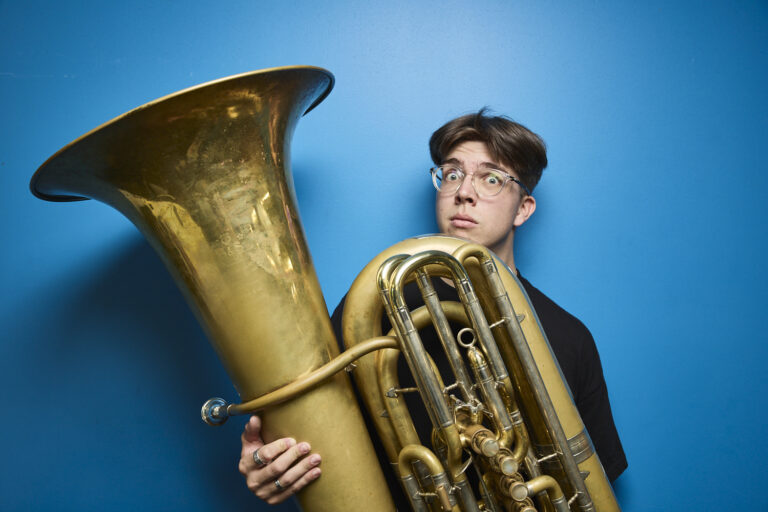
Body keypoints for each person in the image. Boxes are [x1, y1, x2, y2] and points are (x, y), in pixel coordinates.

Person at [238, 109, 627, 506]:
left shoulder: (568, 337)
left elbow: (592, 486)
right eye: (452, 173)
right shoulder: (371, 311)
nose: (464, 191)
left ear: (523, 209)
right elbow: (312, 428)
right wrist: (269, 460)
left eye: (491, 179)